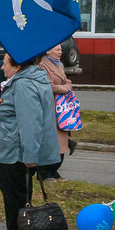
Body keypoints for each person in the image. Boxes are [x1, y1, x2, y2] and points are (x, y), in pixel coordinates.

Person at [0, 53, 60, 230]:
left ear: (17, 66)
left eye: (4, 64)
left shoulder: (23, 85)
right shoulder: (32, 79)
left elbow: (30, 123)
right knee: (20, 193)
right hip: (17, 150)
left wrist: (30, 155)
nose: (2, 68)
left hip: (16, 152)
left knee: (15, 195)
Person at [38, 43, 74, 180]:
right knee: (51, 141)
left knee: (61, 140)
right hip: (50, 107)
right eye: (57, 49)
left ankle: (54, 170)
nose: (60, 52)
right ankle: (45, 172)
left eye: (60, 49)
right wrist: (66, 88)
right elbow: (49, 87)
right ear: (48, 50)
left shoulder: (59, 65)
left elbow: (67, 81)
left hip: (62, 109)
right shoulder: (43, 66)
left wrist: (66, 86)